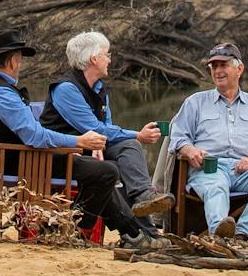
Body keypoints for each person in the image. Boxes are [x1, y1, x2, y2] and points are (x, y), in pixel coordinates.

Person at [0, 27, 148, 246]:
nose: (20, 65)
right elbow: (34, 136)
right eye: (19, 60)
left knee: (96, 168)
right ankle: (78, 230)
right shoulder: (2, 92)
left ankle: (132, 232)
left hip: (7, 160)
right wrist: (78, 141)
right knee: (105, 172)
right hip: (25, 163)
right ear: (12, 61)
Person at [39, 30, 171, 233]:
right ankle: (137, 229)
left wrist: (114, 142)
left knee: (128, 150)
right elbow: (95, 128)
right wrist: (138, 134)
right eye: (106, 54)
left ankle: (144, 202)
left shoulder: (100, 88)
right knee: (121, 156)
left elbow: (106, 128)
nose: (110, 60)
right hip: (62, 152)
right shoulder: (66, 89)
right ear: (94, 58)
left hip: (88, 149)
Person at [167, 41, 248, 240]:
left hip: (247, 170)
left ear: (239, 69)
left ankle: (242, 233)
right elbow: (178, 137)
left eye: (223, 65)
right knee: (217, 185)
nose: (218, 71)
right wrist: (190, 151)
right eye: (214, 67)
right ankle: (219, 236)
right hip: (209, 167)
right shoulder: (195, 102)